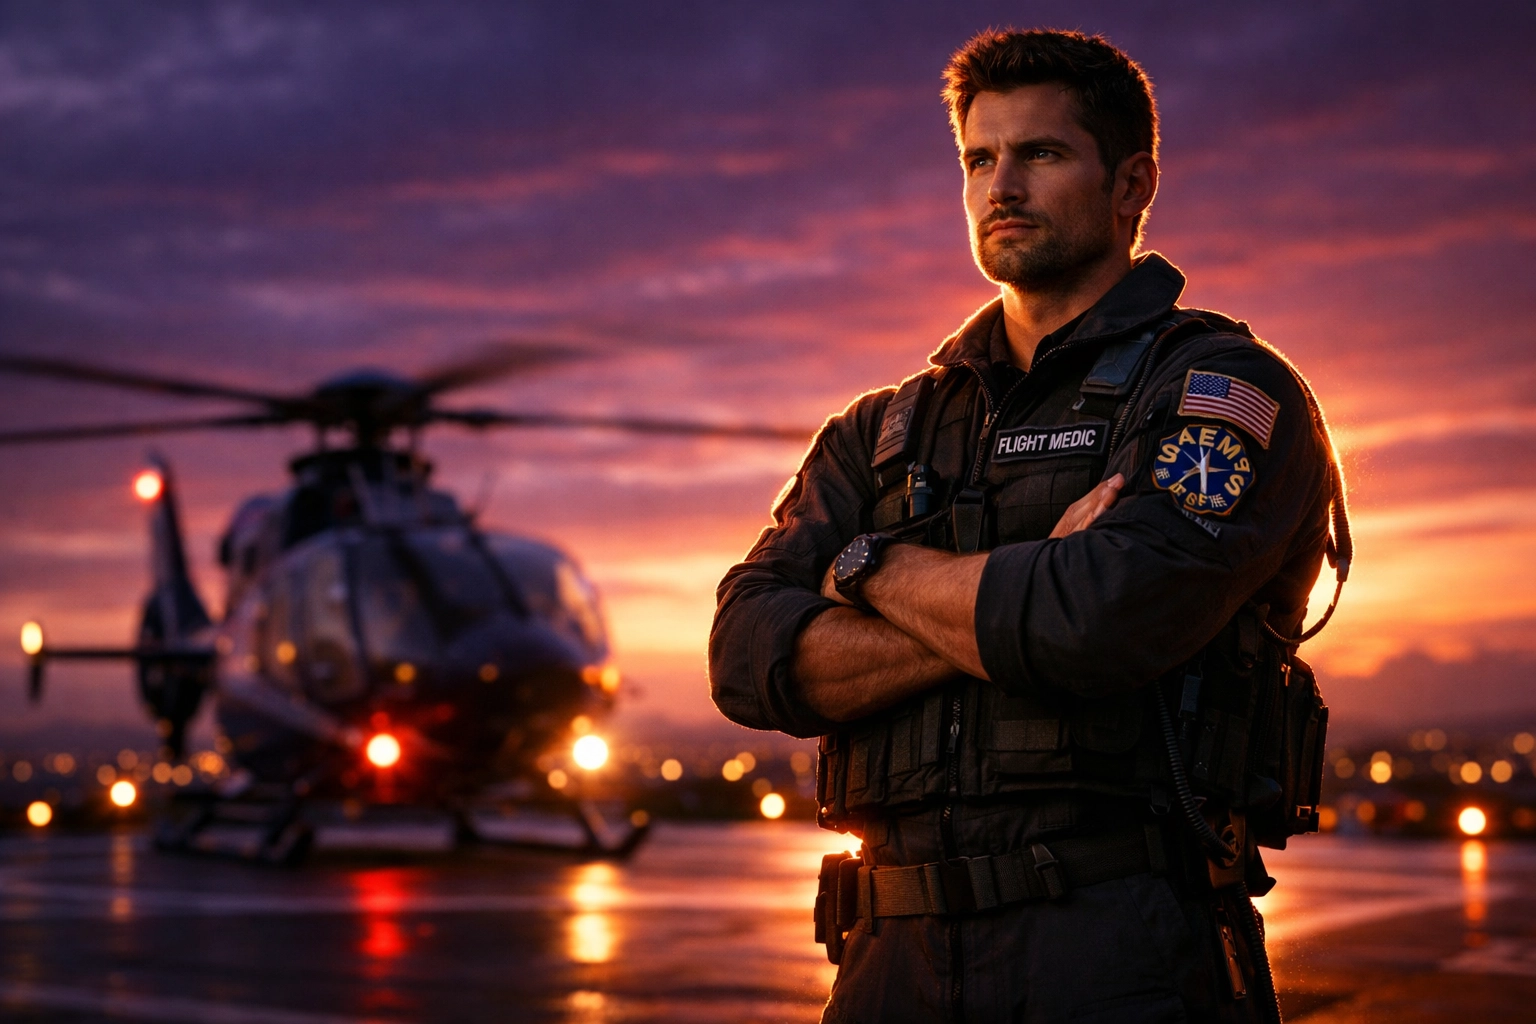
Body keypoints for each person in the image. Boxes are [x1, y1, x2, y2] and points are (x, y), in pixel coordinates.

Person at [710, 27, 1347, 1024]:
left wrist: (867, 564)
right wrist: (1016, 592)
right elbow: (746, 657)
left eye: (1041, 154)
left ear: (1132, 183)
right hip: (888, 960)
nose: (1000, 184)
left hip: (1119, 949)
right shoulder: (880, 429)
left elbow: (1096, 622)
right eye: (979, 158)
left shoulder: (1221, 390)